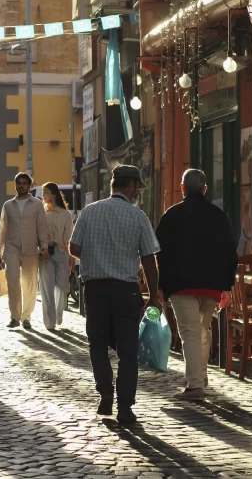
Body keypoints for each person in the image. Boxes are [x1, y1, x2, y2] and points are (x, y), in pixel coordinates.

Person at [69, 165, 161, 424]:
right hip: (126, 292)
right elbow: (148, 259)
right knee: (128, 350)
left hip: (95, 291)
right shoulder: (138, 217)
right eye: (137, 189)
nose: (137, 194)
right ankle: (125, 407)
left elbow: (74, 247)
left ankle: (105, 393)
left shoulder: (89, 212)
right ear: (130, 186)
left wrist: (95, 254)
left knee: (97, 344)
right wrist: (154, 295)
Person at [155, 169, 238, 401]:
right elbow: (230, 252)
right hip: (211, 284)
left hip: (181, 284)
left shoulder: (171, 215)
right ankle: (200, 376)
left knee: (190, 332)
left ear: (182, 188)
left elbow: (159, 253)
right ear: (204, 189)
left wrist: (160, 285)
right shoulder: (218, 216)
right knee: (202, 330)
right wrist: (227, 286)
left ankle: (194, 386)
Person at [0, 172, 49, 330]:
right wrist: (0, 251)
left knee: (30, 284)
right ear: (15, 185)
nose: (21, 186)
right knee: (12, 282)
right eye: (18, 183)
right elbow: (3, 229)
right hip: (12, 248)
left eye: (24, 183)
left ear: (29, 185)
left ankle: (26, 317)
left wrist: (44, 246)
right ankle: (14, 317)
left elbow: (42, 227)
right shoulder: (8, 205)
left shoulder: (37, 205)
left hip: (31, 248)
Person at [39, 182, 75, 331]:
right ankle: (50, 322)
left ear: (54, 194)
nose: (43, 195)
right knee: (47, 287)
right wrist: (43, 247)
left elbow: (70, 236)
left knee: (62, 286)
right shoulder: (41, 212)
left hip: (61, 251)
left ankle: (58, 313)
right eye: (43, 192)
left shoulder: (65, 214)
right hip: (45, 252)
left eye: (46, 192)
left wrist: (71, 256)